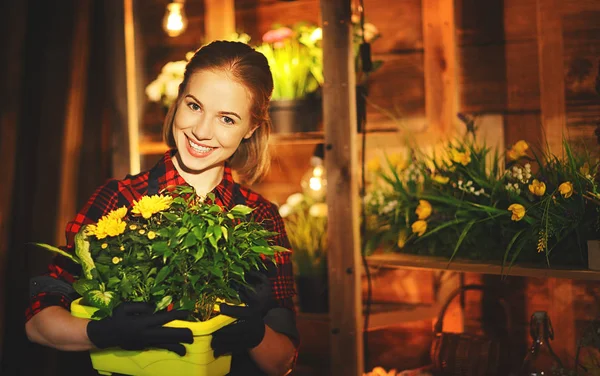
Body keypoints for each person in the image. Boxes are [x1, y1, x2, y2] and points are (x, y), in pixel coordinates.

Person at [25, 40, 299, 376]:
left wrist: (257, 334)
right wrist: (102, 333)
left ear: (251, 129)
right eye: (194, 106)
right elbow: (37, 322)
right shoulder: (119, 199)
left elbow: (284, 361)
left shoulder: (260, 217)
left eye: (227, 119)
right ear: (178, 98)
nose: (201, 131)